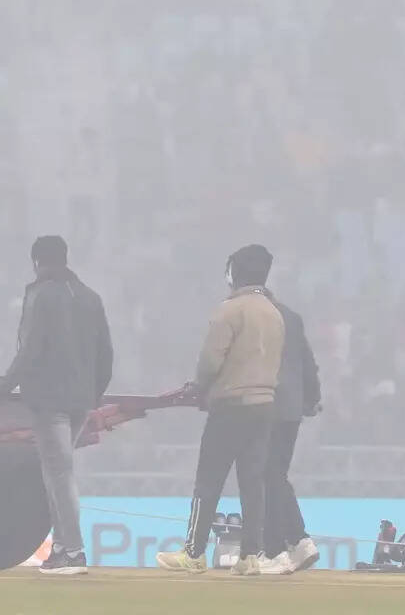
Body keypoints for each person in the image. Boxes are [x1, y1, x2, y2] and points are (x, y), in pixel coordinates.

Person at [0, 235, 113, 576]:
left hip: (49, 399)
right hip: (80, 400)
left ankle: (73, 551)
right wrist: (94, 395)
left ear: (36, 262)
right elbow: (106, 355)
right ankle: (59, 548)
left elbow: (29, 350)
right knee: (56, 471)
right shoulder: (90, 297)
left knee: (59, 473)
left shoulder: (40, 296)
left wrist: (2, 388)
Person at [157, 244, 283, 576]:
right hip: (264, 406)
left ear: (233, 273)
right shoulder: (274, 312)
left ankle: (193, 553)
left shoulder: (230, 310)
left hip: (230, 406)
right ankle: (250, 556)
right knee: (252, 484)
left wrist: (199, 387)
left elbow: (211, 361)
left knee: (208, 482)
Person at [258, 291, 322, 575]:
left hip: (263, 402)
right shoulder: (292, 318)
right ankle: (295, 541)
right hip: (291, 409)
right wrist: (311, 399)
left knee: (267, 475)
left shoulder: (249, 316)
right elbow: (308, 363)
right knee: (275, 474)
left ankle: (279, 549)